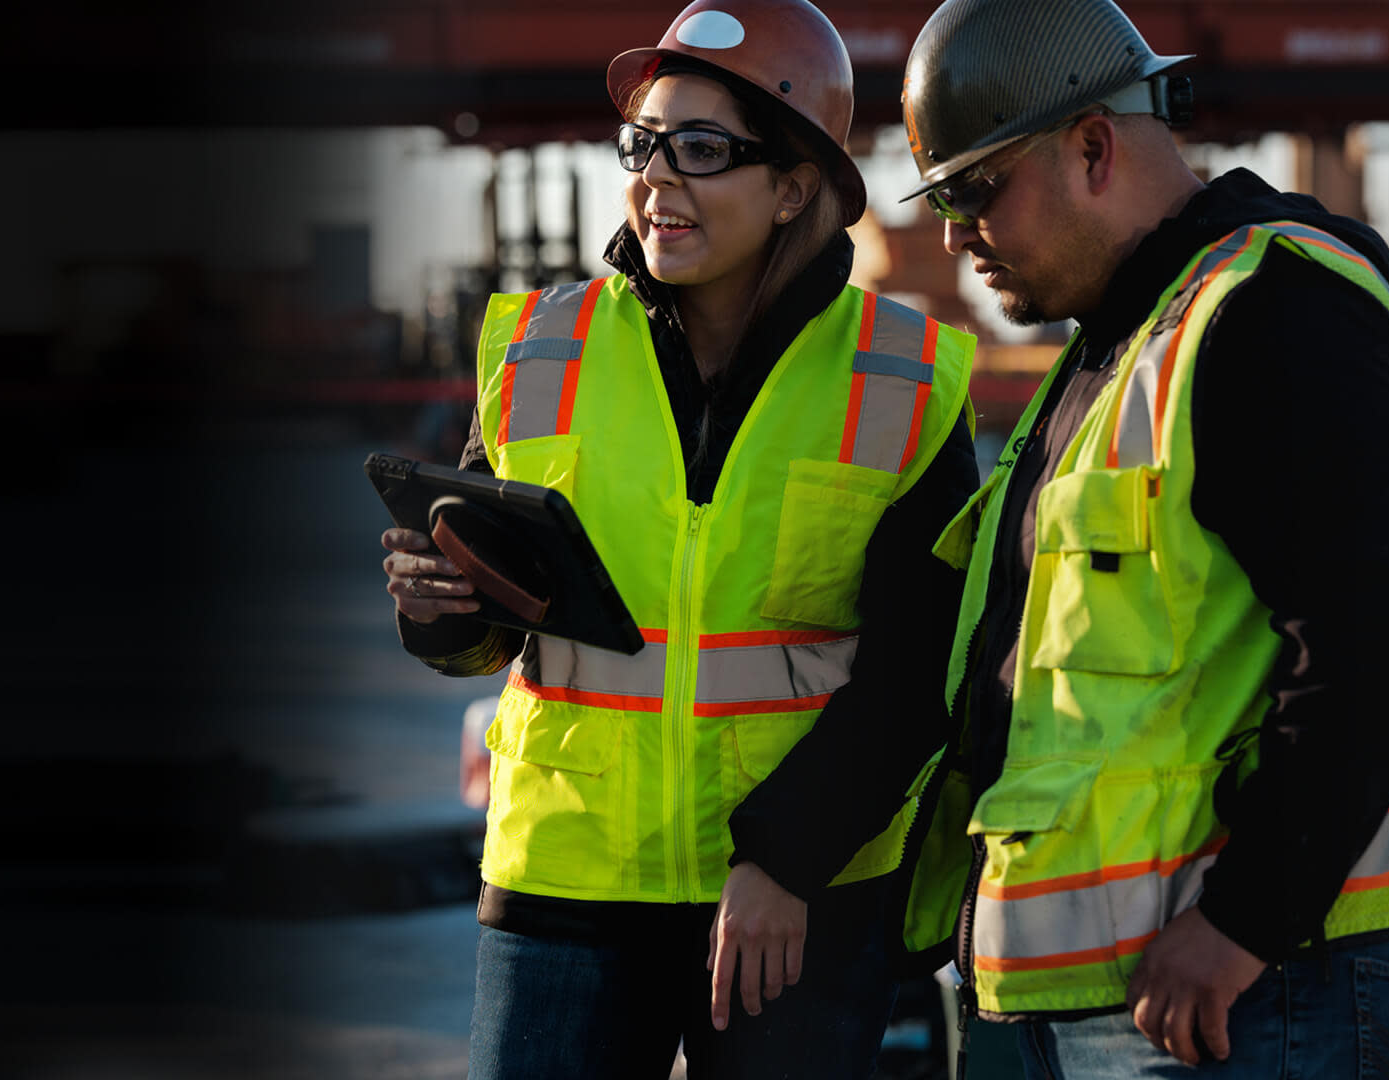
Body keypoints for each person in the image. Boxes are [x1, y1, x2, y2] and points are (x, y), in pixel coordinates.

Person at [378, 0, 979, 1075]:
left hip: (800, 898)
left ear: (796, 183)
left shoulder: (907, 377)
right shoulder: (535, 352)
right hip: (565, 877)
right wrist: (439, 615)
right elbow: (493, 625)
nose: (657, 178)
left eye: (701, 149)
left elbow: (918, 672)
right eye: (643, 145)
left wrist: (785, 861)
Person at [896, 0, 1389, 1076]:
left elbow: (1370, 651)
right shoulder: (1118, 347)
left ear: (1094, 145)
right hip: (1094, 999)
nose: (956, 236)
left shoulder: (1274, 311)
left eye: (972, 190)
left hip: (1242, 1001)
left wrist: (1244, 923)